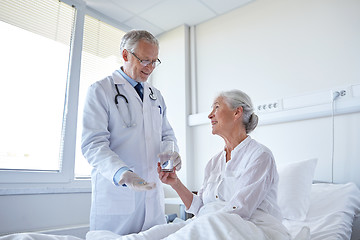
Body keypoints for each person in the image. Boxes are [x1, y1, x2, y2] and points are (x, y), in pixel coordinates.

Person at [86, 89, 291, 239]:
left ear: (237, 113)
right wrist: (175, 183)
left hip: (253, 228)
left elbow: (240, 210)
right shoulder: (214, 162)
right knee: (156, 233)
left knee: (196, 225)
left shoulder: (259, 156)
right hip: (213, 222)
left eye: (216, 108)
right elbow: (200, 206)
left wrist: (198, 222)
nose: (210, 115)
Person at [81, 30, 181, 235]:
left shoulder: (155, 95)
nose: (150, 67)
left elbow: (167, 135)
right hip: (117, 197)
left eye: (155, 61)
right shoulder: (101, 90)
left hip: (152, 199)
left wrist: (171, 154)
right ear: (126, 55)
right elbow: (93, 144)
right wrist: (122, 174)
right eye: (145, 60)